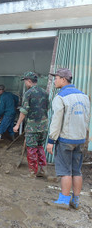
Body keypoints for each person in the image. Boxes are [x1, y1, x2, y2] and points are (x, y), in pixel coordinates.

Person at [46, 68, 90, 210]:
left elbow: (56, 120)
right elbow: (86, 119)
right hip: (80, 139)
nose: (55, 81)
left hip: (65, 140)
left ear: (63, 80)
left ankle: (64, 200)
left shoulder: (60, 97)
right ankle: (75, 200)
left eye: (56, 78)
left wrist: (51, 141)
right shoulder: (84, 96)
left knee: (65, 171)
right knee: (77, 171)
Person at [13, 72, 49, 178]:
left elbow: (24, 111)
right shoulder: (45, 92)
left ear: (29, 81)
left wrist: (17, 125)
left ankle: (32, 173)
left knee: (31, 149)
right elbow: (48, 107)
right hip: (44, 126)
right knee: (40, 147)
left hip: (32, 127)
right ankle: (43, 170)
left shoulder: (28, 93)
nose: (25, 83)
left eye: (25, 81)